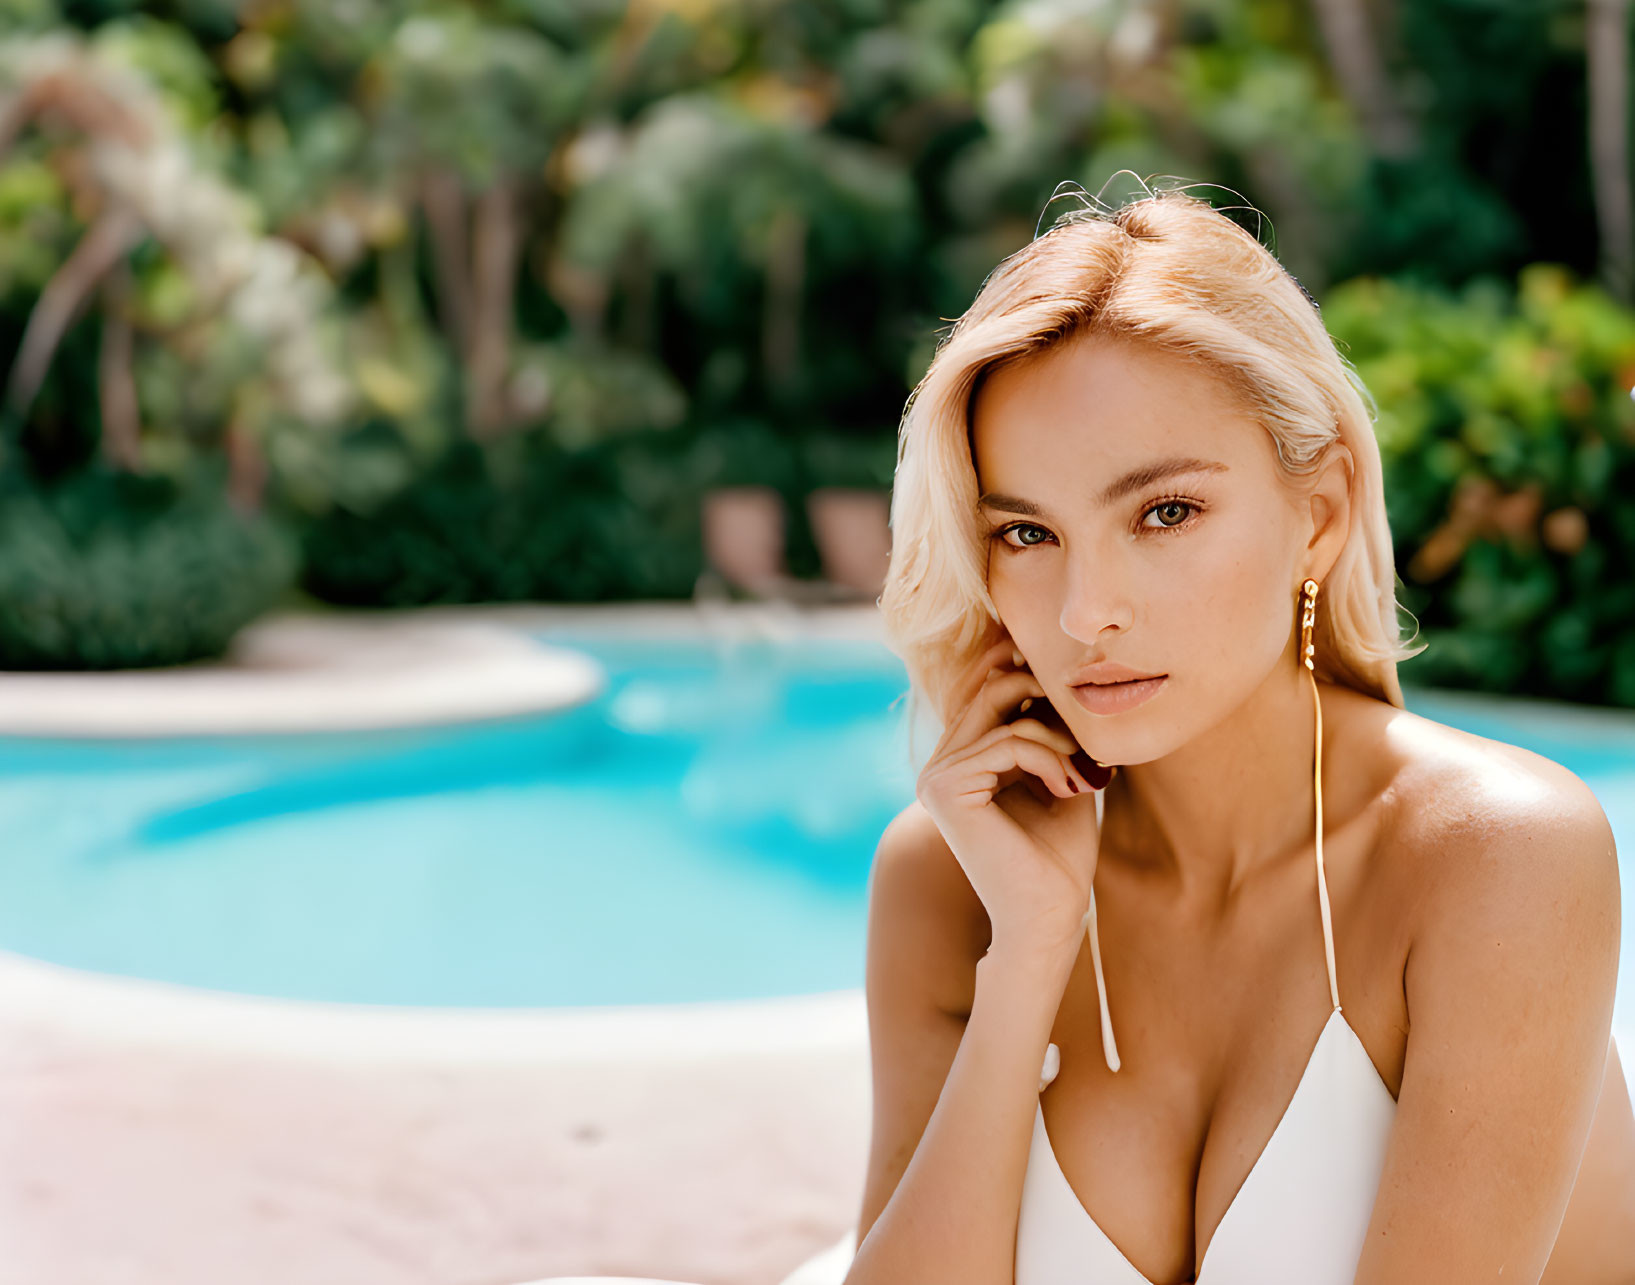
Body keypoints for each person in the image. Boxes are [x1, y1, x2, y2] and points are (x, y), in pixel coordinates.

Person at [849, 182, 1635, 1283]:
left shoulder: (1494, 856)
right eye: (1027, 532)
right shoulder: (953, 877)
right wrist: (1027, 952)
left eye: (1163, 512)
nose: (1086, 613)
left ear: (1318, 516)